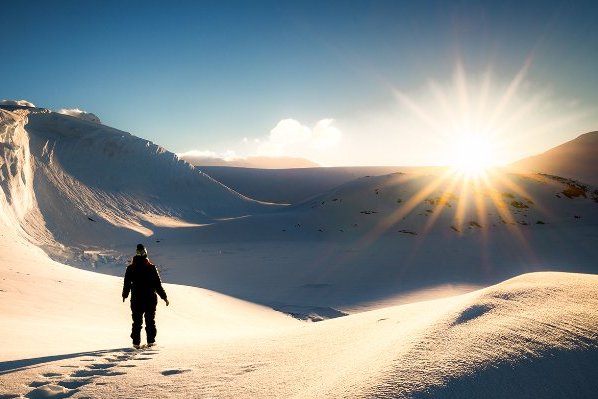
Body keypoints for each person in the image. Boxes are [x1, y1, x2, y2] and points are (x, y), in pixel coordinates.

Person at [122, 244, 169, 348]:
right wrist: (164, 297)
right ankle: (151, 342)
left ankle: (136, 343)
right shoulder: (151, 268)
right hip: (150, 299)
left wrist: (125, 295)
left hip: (136, 299)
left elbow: (127, 284)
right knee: (150, 320)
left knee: (137, 321)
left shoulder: (130, 268)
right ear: (145, 253)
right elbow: (157, 284)